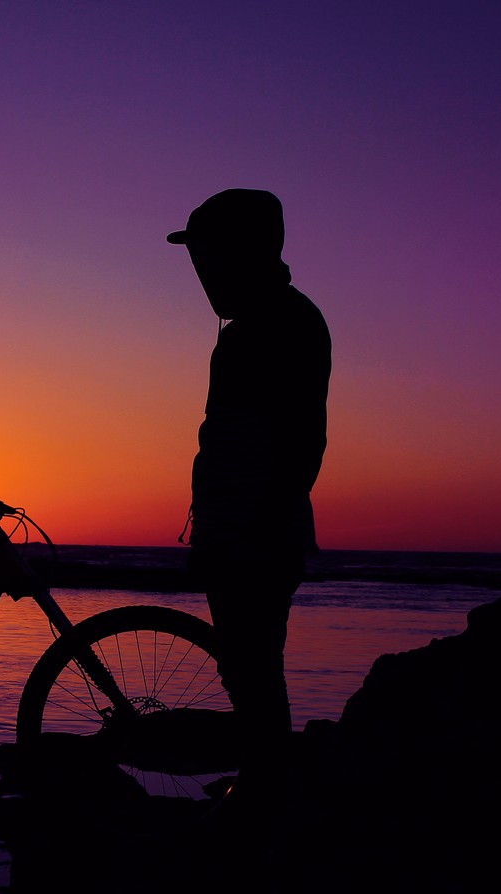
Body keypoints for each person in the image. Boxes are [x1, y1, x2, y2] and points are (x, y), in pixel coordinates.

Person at [167, 188, 330, 791]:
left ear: (243, 253)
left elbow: (301, 439)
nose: (201, 273)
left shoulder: (284, 323)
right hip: (237, 530)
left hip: (255, 534)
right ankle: (263, 789)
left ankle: (266, 797)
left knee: (255, 669)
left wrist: (256, 527)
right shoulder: (255, 325)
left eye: (208, 257)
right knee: (247, 669)